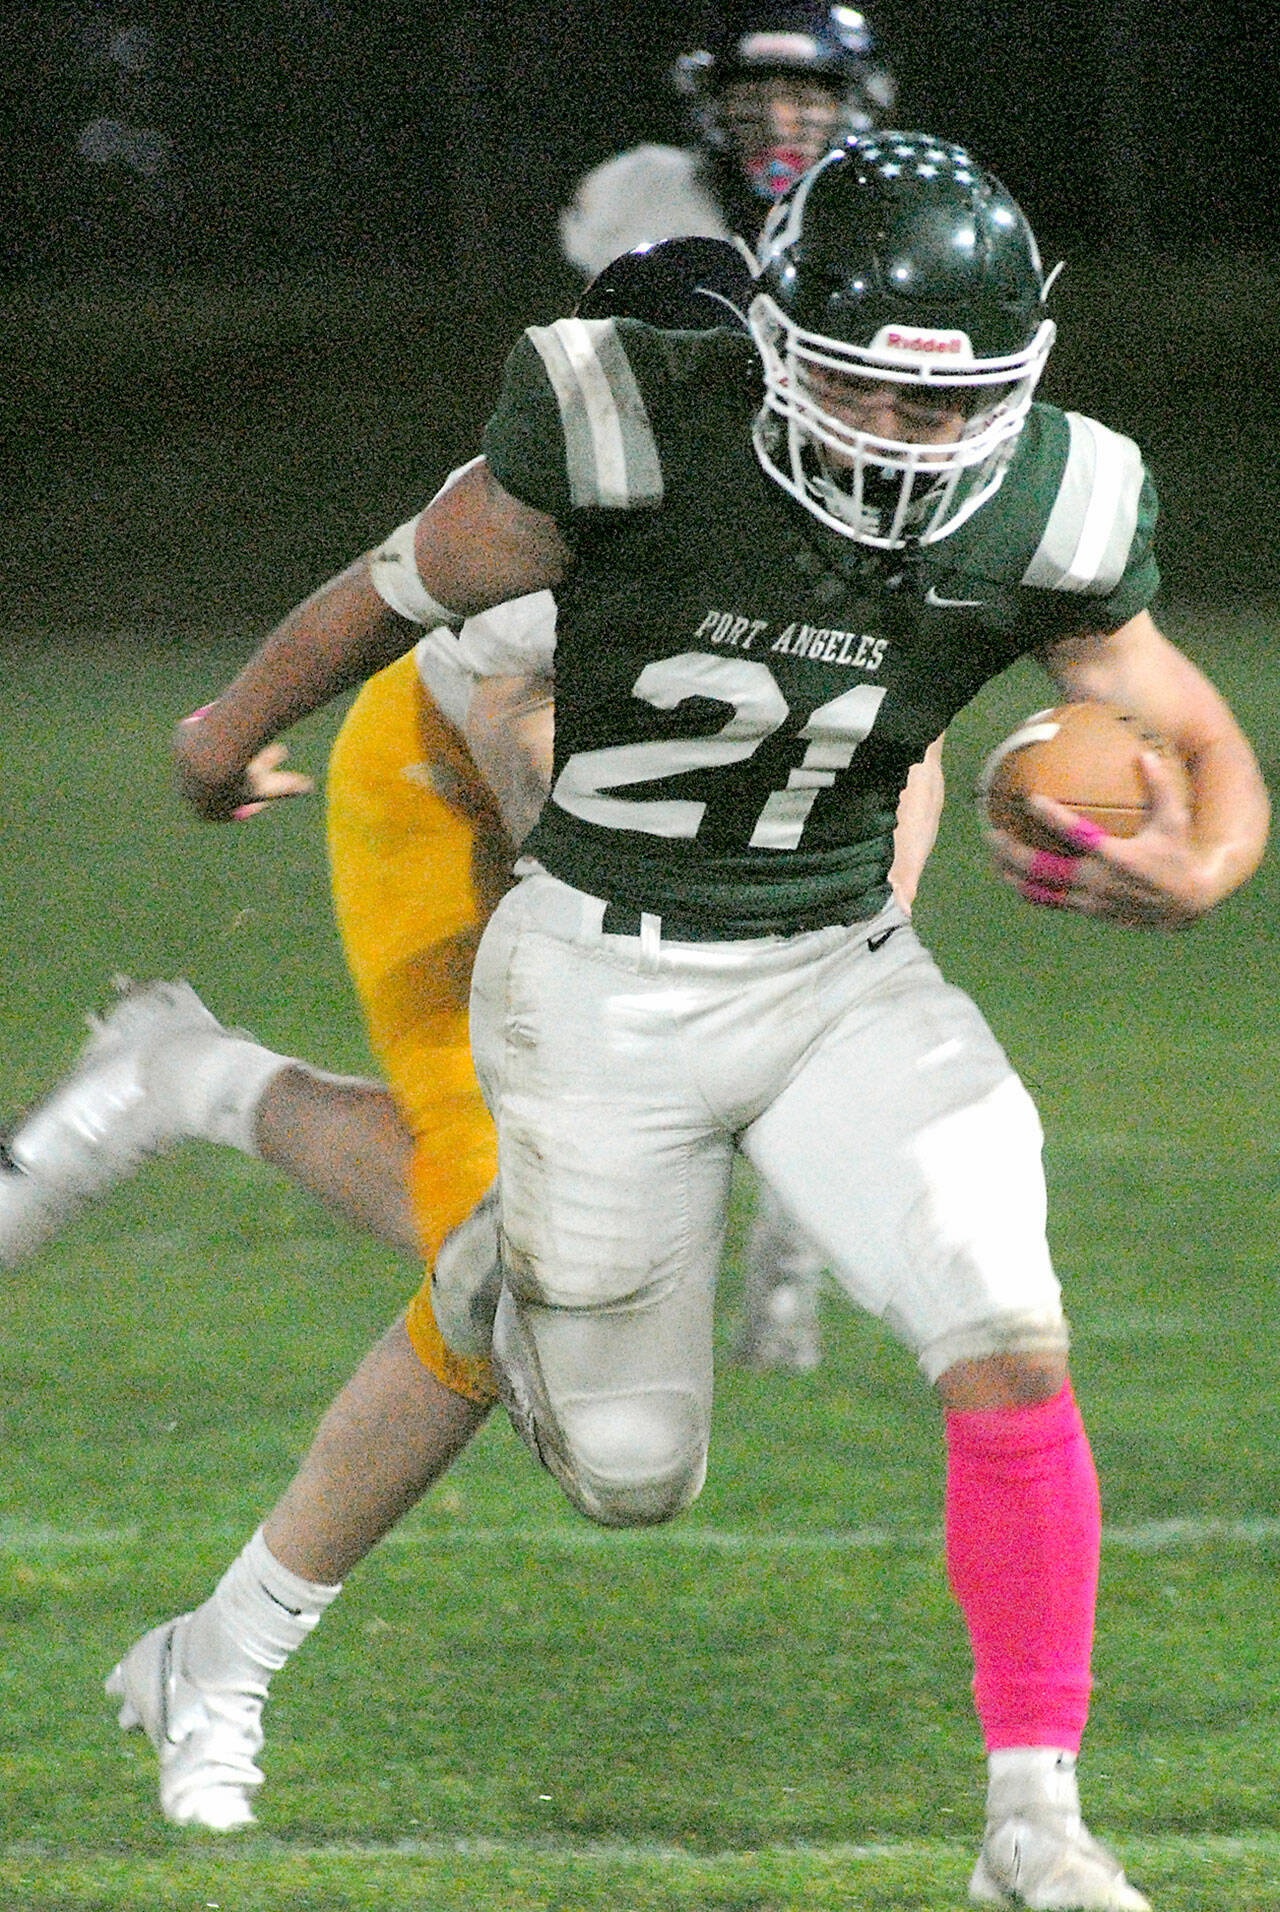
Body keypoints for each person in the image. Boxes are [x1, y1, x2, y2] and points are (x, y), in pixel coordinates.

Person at [161, 131, 1269, 1907]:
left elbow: (1195, 730)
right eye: (869, 395)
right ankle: (487, 1266)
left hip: (837, 969)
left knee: (1005, 1319)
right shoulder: (620, 424)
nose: (913, 445)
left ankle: (1034, 1822)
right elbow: (392, 592)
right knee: (629, 1475)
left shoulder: (1054, 496)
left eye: (954, 406)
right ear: (772, 337)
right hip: (599, 965)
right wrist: (222, 730)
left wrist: (1203, 867)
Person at [1, 239, 940, 1833]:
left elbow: (887, 759)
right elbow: (529, 761)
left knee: (557, 1307)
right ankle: (219, 1655)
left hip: (648, 835)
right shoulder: (562, 499)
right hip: (447, 795)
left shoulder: (857, 495)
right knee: (503, 1255)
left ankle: (187, 1080)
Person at [561, 3, 902, 1368]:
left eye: (807, 93)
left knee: (836, 915)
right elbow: (601, 381)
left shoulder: (890, 210)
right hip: (668, 591)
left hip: (837, 606)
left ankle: (789, 1237)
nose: (779, 119)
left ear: (856, 100)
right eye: (756, 92)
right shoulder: (642, 200)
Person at [560, 2, 896, 277]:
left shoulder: (885, 207)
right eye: (751, 99)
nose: (779, 126)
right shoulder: (644, 190)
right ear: (713, 104)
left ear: (853, 107)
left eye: (804, 100)